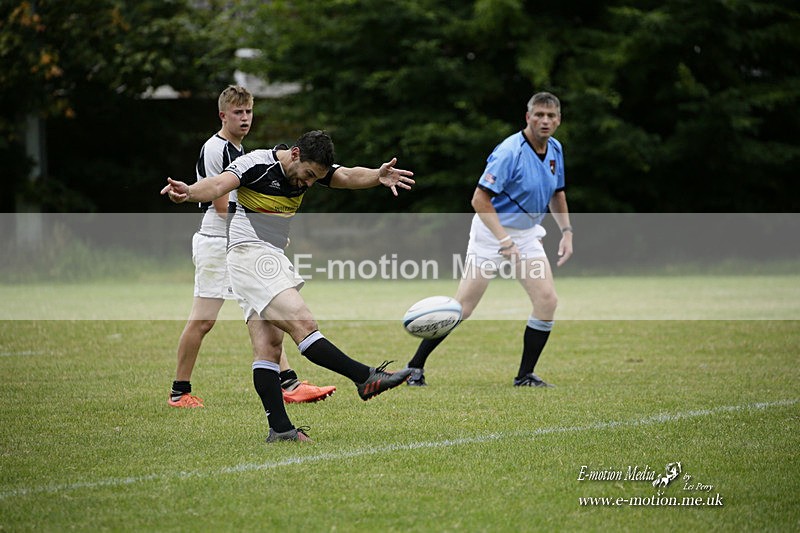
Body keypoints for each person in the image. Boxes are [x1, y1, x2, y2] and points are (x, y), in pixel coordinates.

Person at [161, 130, 415, 442]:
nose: (309, 183)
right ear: (295, 154)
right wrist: (188, 191)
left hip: (269, 257)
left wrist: (378, 175)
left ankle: (280, 430)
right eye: (308, 175)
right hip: (248, 255)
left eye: (315, 178)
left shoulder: (310, 169)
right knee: (303, 323)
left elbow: (347, 176)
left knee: (268, 347)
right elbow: (216, 185)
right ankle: (365, 378)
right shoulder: (254, 165)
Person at [168, 85, 335, 409]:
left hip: (242, 244)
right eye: (238, 113)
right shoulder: (216, 149)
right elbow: (220, 203)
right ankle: (179, 391)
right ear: (223, 115)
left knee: (266, 310)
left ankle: (289, 383)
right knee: (203, 320)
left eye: (248, 112)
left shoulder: (243, 151)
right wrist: (260, 226)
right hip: (219, 242)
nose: (245, 118)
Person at [405, 91, 573, 388]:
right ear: (528, 117)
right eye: (539, 115)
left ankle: (524, 376)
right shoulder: (510, 152)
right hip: (490, 233)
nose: (545, 121)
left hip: (527, 234)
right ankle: (414, 367)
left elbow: (557, 193)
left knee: (547, 300)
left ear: (558, 120)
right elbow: (479, 200)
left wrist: (567, 232)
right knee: (463, 308)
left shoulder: (555, 149)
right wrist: (504, 241)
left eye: (551, 116)